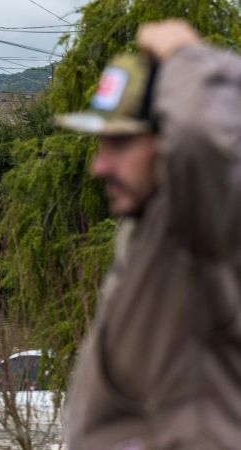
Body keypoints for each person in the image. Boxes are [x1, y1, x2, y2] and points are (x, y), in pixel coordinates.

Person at [56, 20, 241, 448]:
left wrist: (185, 54)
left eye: (120, 144)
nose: (98, 167)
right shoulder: (150, 233)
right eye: (100, 145)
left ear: (167, 145)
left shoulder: (200, 224)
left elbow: (204, 137)